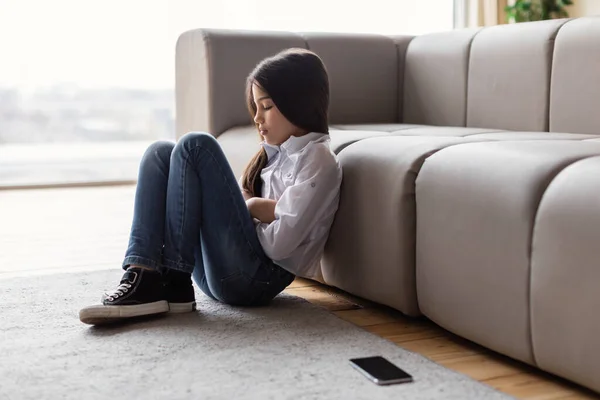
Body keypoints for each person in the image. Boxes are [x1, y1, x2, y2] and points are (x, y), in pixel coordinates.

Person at [78, 48, 343, 325]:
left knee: (196, 145)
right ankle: (145, 272)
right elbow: (246, 206)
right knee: (159, 153)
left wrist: (250, 206)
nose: (257, 118)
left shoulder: (318, 160)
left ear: (297, 103)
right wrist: (260, 212)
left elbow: (278, 246)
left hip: (256, 280)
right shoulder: (272, 156)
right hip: (219, 272)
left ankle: (174, 278)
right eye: (256, 108)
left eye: (266, 107)